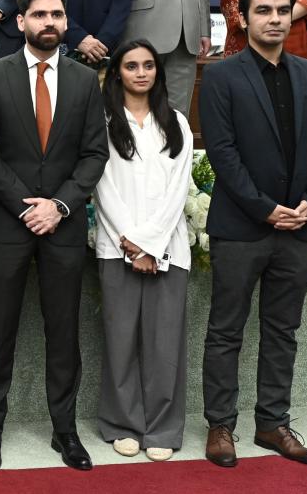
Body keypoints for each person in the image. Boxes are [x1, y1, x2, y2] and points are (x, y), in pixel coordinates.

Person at [199, 0, 307, 468]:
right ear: (243, 18)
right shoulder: (221, 76)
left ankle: (272, 423)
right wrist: (263, 207)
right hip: (241, 227)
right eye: (264, 11)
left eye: (282, 10)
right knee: (226, 331)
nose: (275, 19)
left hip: (297, 226)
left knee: (283, 331)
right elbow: (222, 153)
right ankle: (220, 425)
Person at [0, 0, 108, 473]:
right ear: (20, 21)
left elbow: (94, 154)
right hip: (8, 224)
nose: (48, 22)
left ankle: (65, 430)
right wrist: (24, 206)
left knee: (64, 329)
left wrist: (59, 206)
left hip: (63, 225)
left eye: (56, 14)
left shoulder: (84, 80)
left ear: (66, 21)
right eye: (39, 14)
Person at [93, 39, 194, 463]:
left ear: (158, 72)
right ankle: (122, 424)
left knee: (164, 343)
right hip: (117, 247)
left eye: (148, 65)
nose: (140, 73)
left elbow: (178, 190)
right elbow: (102, 187)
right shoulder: (102, 121)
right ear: (117, 72)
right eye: (131, 65)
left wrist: (151, 244)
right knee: (120, 341)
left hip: (169, 248)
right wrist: (132, 245)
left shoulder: (177, 122)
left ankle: (163, 427)